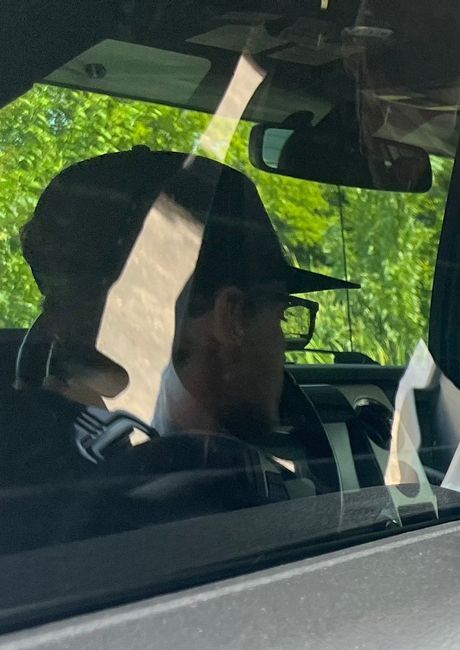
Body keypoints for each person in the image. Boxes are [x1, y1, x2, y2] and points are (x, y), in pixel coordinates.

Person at [18, 148, 355, 445]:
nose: (283, 350)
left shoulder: (37, 458)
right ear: (232, 317)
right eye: (280, 317)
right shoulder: (211, 493)